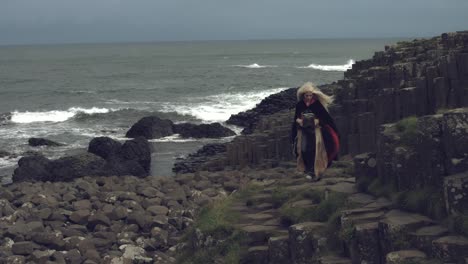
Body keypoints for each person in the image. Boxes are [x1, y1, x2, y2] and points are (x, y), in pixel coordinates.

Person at [291, 82, 340, 180]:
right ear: (303, 96)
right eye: (307, 95)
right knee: (304, 149)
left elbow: (325, 118)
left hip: (316, 131)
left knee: (315, 150)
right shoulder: (300, 105)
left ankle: (314, 171)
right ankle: (307, 169)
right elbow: (296, 117)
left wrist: (318, 121)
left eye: (310, 95)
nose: (309, 97)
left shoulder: (317, 104)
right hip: (303, 131)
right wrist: (299, 121)